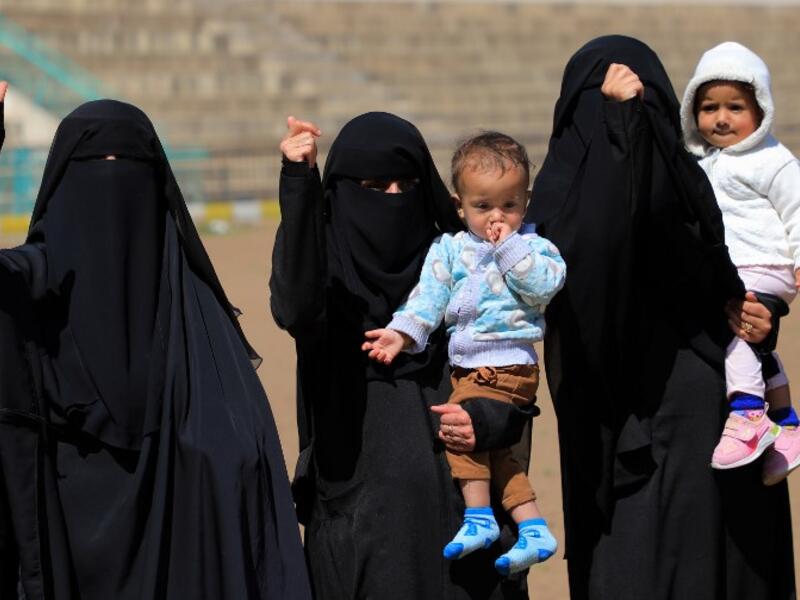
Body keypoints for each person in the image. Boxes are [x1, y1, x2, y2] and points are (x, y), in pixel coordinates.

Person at [0, 96, 311, 600]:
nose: (112, 184)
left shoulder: (195, 320)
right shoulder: (30, 285)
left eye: (128, 165)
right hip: (59, 552)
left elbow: (242, 471)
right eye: (93, 165)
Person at [526, 36, 795, 599]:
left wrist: (766, 309)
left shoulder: (696, 182)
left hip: (716, 421)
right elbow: (598, 251)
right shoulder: (554, 198)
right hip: (613, 436)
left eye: (638, 105)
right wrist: (622, 130)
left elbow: (739, 269)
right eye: (602, 105)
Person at [271, 113, 539, 598]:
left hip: (466, 524)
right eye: (375, 186)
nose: (394, 198)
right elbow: (295, 305)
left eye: (408, 185)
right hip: (362, 528)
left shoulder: (460, 264)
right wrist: (298, 183)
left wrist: (485, 421)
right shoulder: (328, 274)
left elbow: (511, 366)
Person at [361, 132, 565, 575]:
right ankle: (533, 527)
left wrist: (509, 248)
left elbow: (544, 287)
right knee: (496, 452)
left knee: (457, 429)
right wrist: (402, 334)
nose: (497, 217)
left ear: (526, 202)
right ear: (459, 205)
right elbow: (428, 298)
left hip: (509, 363)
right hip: (467, 365)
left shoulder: (533, 246)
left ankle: (479, 517)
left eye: (509, 205)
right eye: (483, 206)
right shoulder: (450, 248)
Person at [679, 41, 800, 482]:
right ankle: (786, 422)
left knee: (733, 332)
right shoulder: (703, 162)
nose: (721, 118)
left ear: (761, 109)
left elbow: (797, 210)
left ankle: (748, 414)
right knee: (752, 338)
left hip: (764, 263)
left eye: (735, 107)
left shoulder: (773, 160)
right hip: (739, 265)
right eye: (709, 107)